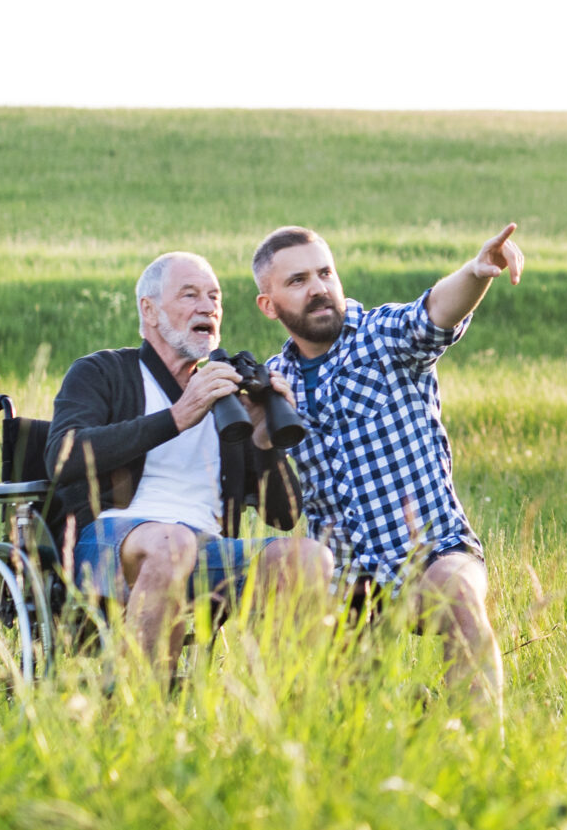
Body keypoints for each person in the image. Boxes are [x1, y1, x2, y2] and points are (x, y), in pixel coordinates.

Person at [252, 221, 522, 707]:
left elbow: (436, 309)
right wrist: (257, 430)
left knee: (457, 594)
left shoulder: (382, 336)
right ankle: (401, 717)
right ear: (268, 305)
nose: (318, 289)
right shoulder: (276, 383)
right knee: (338, 705)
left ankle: (485, 755)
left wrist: (477, 272)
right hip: (345, 578)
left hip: (432, 553)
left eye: (325, 273)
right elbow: (263, 492)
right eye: (298, 281)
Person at [46, 250, 334, 678]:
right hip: (105, 544)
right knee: (173, 543)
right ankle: (135, 711)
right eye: (189, 295)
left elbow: (284, 516)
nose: (208, 307)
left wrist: (263, 439)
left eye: (215, 297)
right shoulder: (102, 371)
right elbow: (62, 455)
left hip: (204, 553)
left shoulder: (228, 396)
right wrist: (179, 416)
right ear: (150, 310)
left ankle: (268, 718)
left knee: (311, 558)